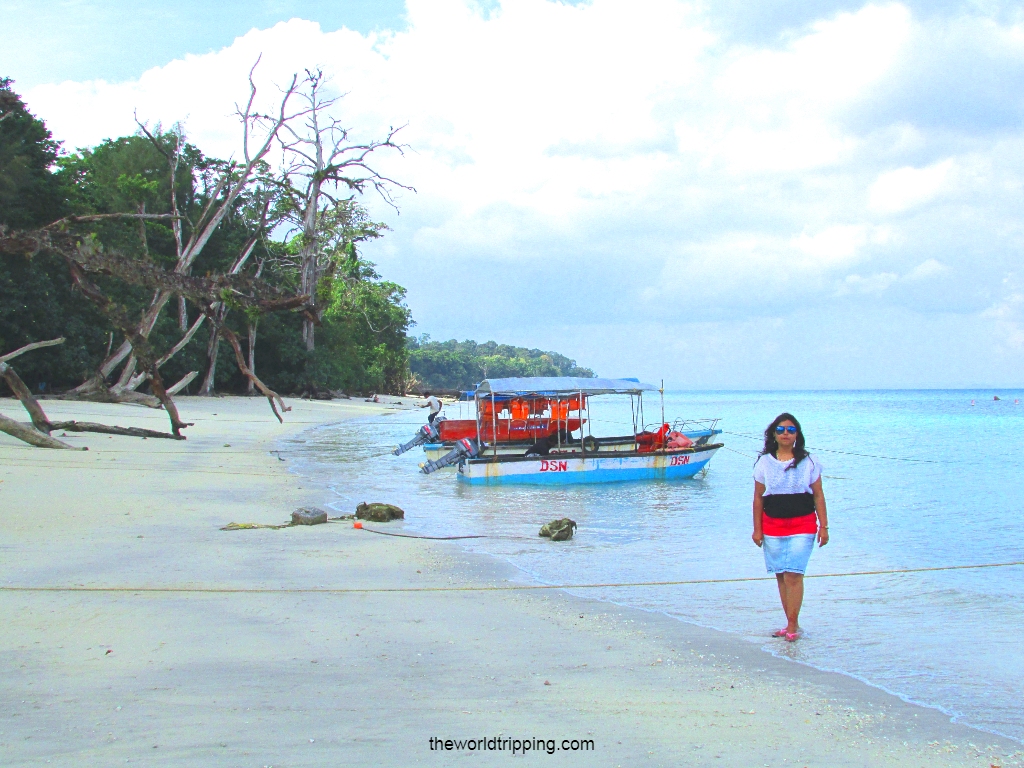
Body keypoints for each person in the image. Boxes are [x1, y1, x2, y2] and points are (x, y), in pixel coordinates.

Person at [751, 413, 829, 642]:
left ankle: (793, 625)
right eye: (781, 430)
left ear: (797, 435)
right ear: (774, 434)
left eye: (791, 430)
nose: (786, 433)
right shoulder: (764, 462)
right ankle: (790, 622)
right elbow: (758, 498)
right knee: (781, 576)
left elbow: (818, 495)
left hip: (803, 524)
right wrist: (757, 529)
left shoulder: (809, 461)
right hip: (772, 525)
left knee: (794, 574)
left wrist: (824, 526)